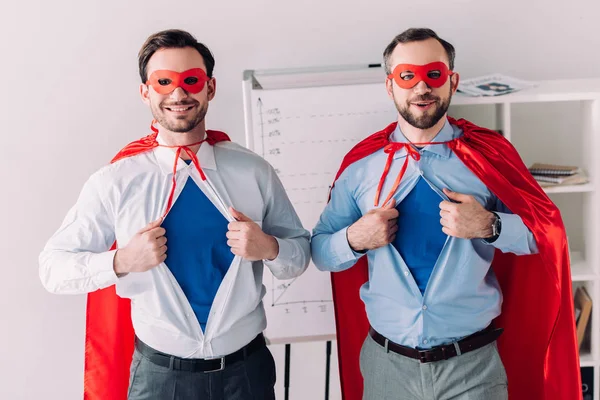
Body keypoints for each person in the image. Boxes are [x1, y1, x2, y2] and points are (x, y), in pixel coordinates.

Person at [39, 29, 310, 400]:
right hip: (160, 379)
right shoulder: (116, 181)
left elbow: (299, 256)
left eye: (191, 81)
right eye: (164, 82)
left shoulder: (253, 172)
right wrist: (121, 260)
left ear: (210, 88)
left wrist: (270, 248)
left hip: (247, 373)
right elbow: (53, 269)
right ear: (145, 92)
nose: (179, 94)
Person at [311, 28, 580, 400]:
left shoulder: (489, 156)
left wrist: (490, 225)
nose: (422, 87)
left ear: (452, 81)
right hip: (387, 367)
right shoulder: (361, 168)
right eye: (408, 76)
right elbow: (321, 251)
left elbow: (545, 238)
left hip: (473, 367)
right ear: (390, 86)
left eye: (433, 74)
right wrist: (355, 239)